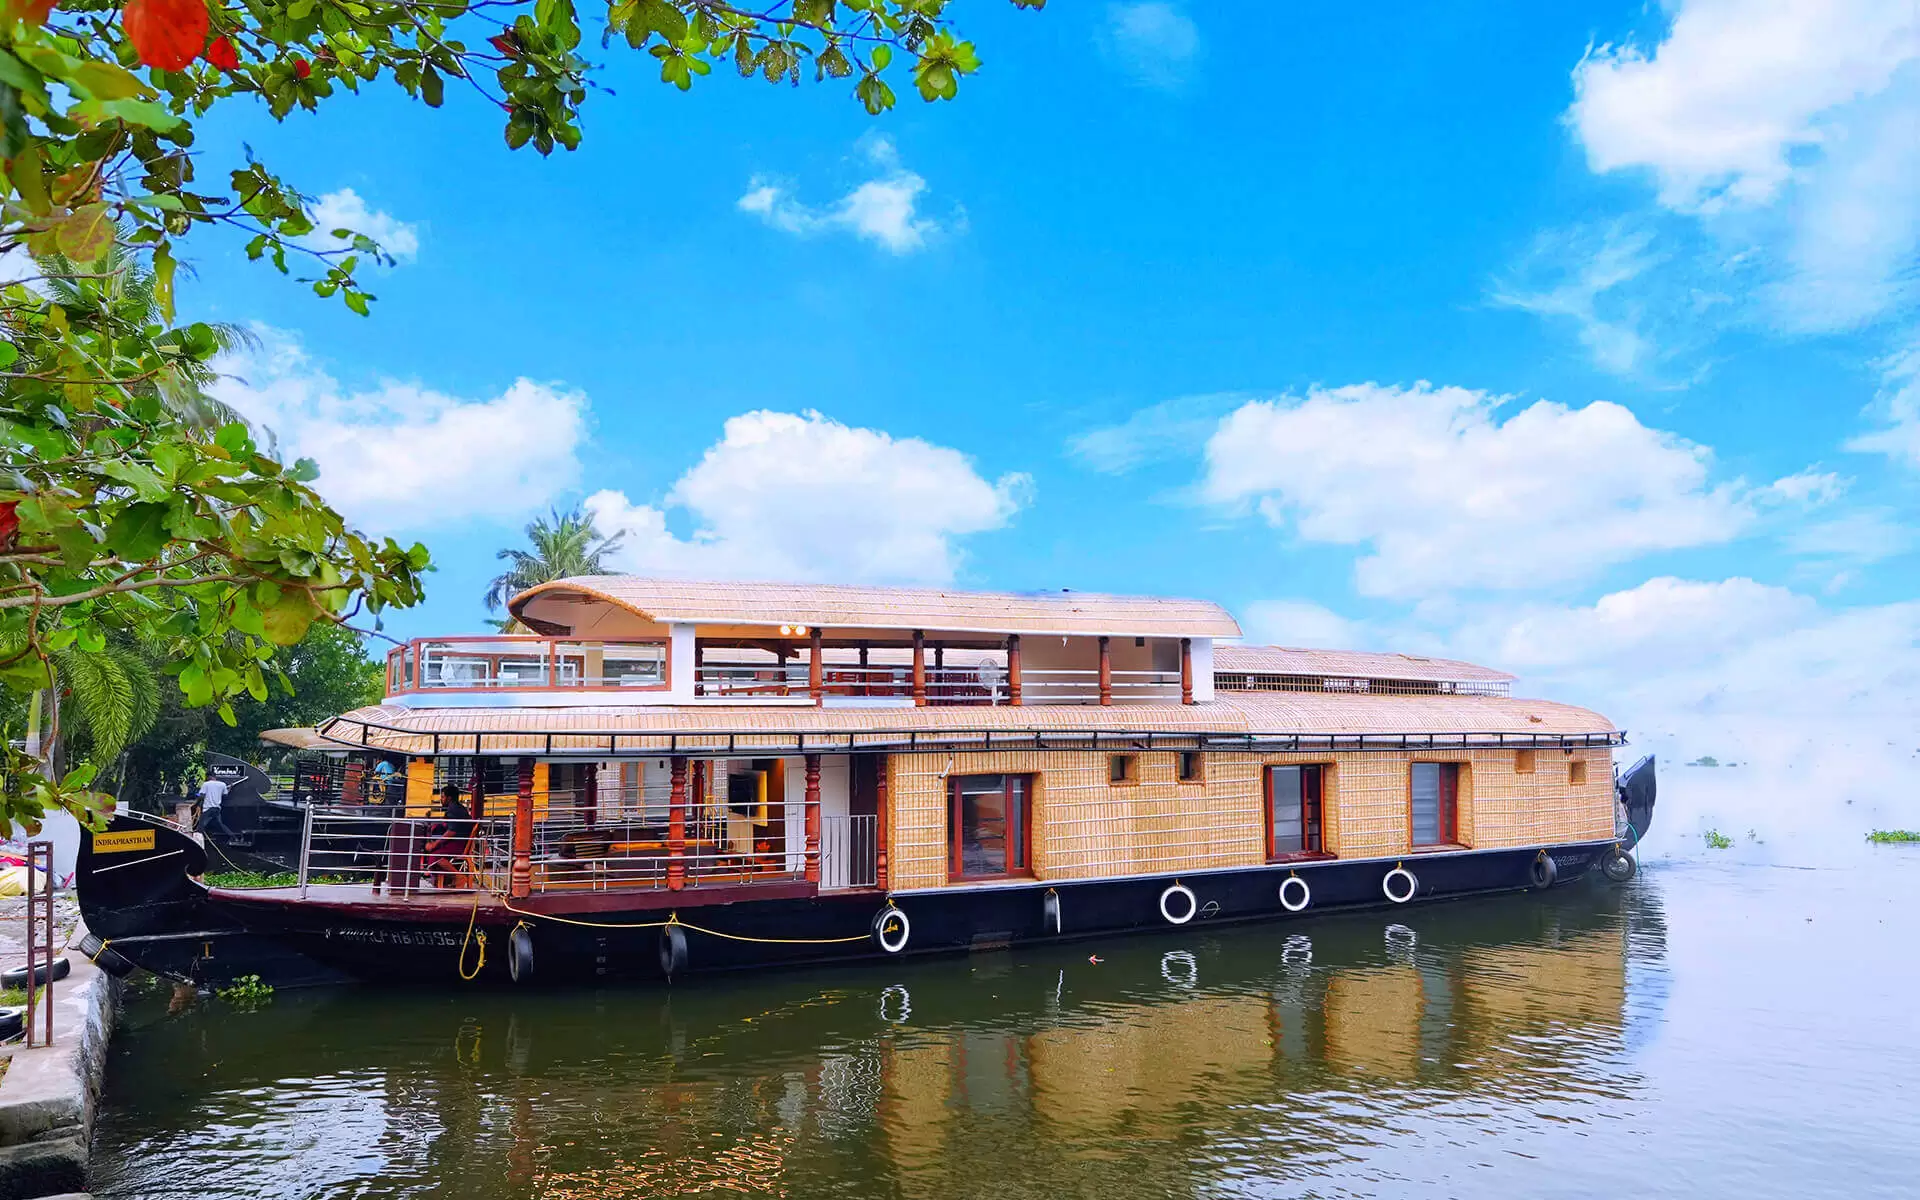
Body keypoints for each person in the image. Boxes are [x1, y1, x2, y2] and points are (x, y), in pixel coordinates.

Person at [197, 772, 233, 841]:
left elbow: (201, 796)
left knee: (201, 826)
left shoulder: (206, 784)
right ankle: (233, 837)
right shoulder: (222, 784)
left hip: (208, 809)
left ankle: (198, 841)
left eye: (206, 777)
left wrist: (197, 796)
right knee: (220, 824)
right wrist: (230, 787)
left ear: (209, 777)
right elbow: (225, 795)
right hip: (217, 809)